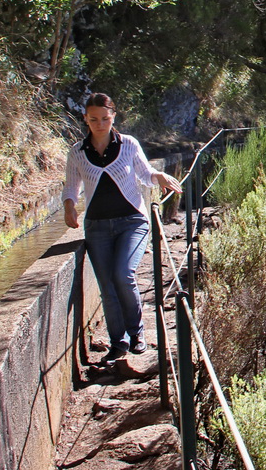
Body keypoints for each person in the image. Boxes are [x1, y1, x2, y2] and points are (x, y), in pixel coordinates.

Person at [63, 93, 181, 363]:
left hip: (132, 221)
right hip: (97, 226)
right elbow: (71, 186)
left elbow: (144, 173)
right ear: (85, 119)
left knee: (122, 273)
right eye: (93, 119)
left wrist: (159, 176)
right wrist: (70, 206)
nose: (100, 124)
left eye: (105, 118)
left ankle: (137, 334)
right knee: (107, 284)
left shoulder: (128, 144)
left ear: (113, 116)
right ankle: (119, 343)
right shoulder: (77, 152)